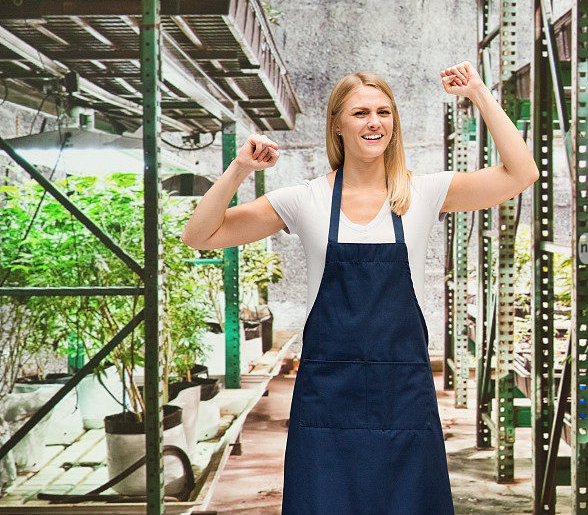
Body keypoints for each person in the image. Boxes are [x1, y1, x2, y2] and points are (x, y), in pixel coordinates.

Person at [182, 60, 539, 515]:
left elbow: (520, 172)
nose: (375, 122)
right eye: (361, 113)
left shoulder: (423, 192)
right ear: (337, 125)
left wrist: (479, 94)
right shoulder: (304, 198)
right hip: (329, 397)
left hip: (403, 395)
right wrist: (238, 169)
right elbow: (199, 236)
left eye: (384, 112)